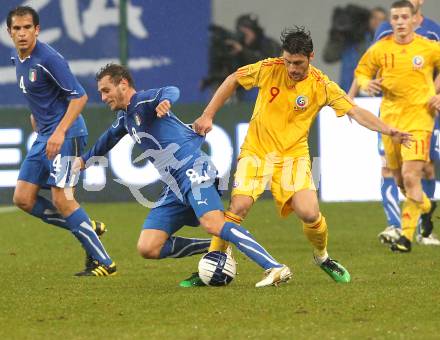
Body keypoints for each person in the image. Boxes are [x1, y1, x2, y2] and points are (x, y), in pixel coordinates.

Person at [180, 26, 411, 286]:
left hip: (294, 157)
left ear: (310, 57)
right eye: (288, 61)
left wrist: (389, 130)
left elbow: (355, 112)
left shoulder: (322, 85)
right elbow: (233, 78)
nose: (291, 68)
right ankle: (212, 264)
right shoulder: (270, 68)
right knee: (238, 207)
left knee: (310, 213)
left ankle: (322, 258)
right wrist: (208, 114)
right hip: (256, 152)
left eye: (298, 63)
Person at [73, 63, 292, 288]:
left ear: (123, 84)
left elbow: (171, 90)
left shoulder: (145, 101)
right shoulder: (126, 119)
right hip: (174, 185)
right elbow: (107, 139)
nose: (102, 96)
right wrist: (83, 160)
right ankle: (215, 246)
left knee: (213, 222)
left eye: (106, 90)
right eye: (101, 92)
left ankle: (274, 266)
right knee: (148, 247)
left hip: (193, 169)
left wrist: (164, 101)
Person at [7, 6, 116, 276]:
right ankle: (86, 227)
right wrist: (39, 120)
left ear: (37, 30)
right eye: (17, 28)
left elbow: (79, 97)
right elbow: (40, 95)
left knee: (62, 199)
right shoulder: (18, 59)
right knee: (23, 198)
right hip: (45, 135)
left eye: (27, 28)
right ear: (9, 32)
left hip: (66, 135)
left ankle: (105, 262)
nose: (22, 33)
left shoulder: (49, 58)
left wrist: (59, 132)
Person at [354, 0, 440, 252]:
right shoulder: (380, 48)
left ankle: (405, 237)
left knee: (412, 175)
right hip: (389, 122)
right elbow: (362, 71)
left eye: (405, 17)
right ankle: (425, 205)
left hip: (420, 120)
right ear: (390, 21)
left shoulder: (428, 47)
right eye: (396, 18)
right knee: (401, 181)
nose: (401, 22)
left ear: (415, 19)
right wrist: (365, 83)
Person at [202, 14, 280, 101]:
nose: (245, 35)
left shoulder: (268, 45)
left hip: (267, 92)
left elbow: (269, 67)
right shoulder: (235, 46)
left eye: (248, 31)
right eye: (242, 32)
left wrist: (243, 51)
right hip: (239, 88)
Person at [323, 5, 387, 92]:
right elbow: (329, 57)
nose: (377, 22)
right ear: (367, 20)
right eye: (374, 18)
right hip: (347, 91)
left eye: (381, 19)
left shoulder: (386, 43)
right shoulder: (351, 39)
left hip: (372, 94)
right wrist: (336, 34)